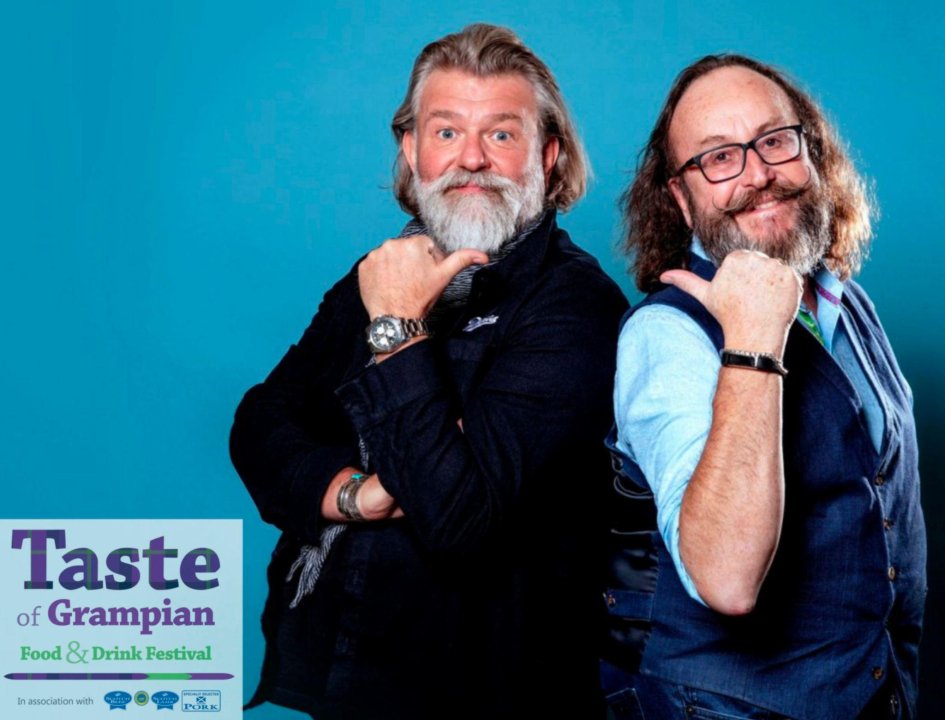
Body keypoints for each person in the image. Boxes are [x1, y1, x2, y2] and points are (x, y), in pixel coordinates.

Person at [230, 23, 627, 720]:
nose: (470, 158)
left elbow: (458, 519)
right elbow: (260, 421)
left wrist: (397, 333)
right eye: (445, 132)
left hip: (490, 691)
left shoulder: (577, 307)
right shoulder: (383, 270)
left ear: (548, 154)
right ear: (410, 151)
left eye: (501, 135)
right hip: (345, 676)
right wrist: (357, 493)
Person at [601, 54, 926, 720]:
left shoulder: (845, 301)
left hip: (877, 692)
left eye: (774, 141)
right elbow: (723, 578)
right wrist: (749, 344)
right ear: (678, 198)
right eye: (718, 157)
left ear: (811, 151)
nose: (758, 175)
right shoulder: (664, 339)